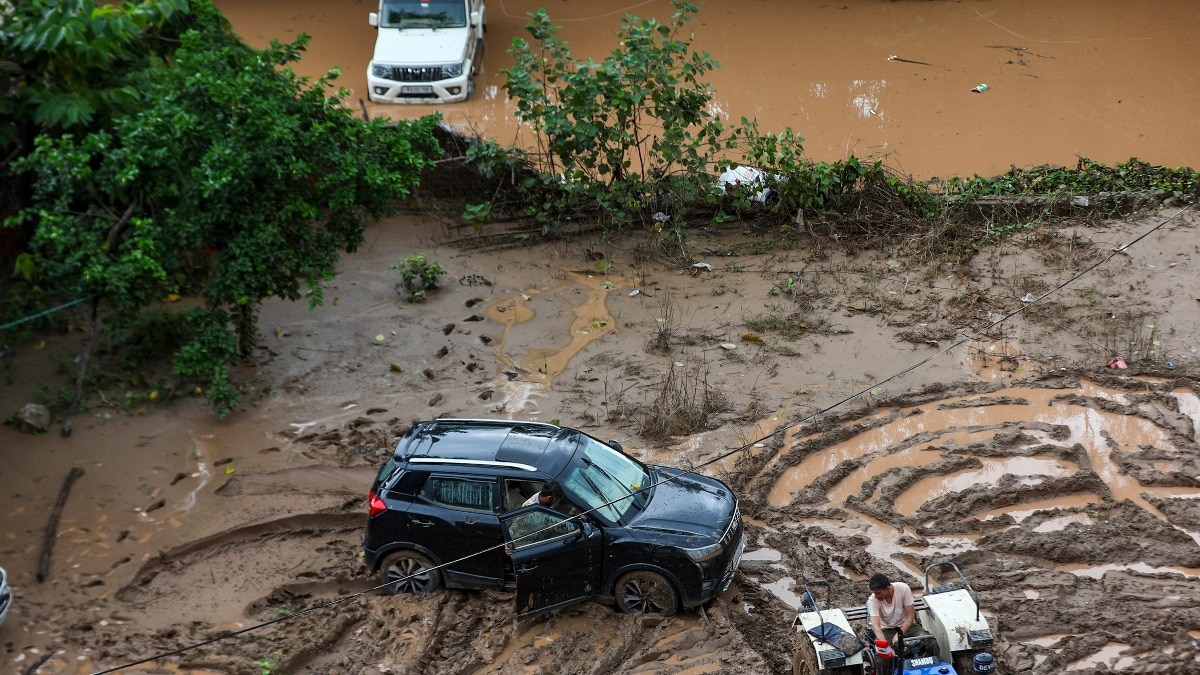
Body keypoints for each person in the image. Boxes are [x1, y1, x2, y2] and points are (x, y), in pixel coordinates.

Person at [867, 573, 921, 654]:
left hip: (907, 626)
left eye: (878, 593)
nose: (875, 596)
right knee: (882, 658)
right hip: (887, 629)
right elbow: (876, 627)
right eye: (874, 593)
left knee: (931, 642)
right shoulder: (873, 601)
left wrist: (899, 634)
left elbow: (910, 617)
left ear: (887, 588)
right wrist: (886, 647)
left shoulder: (903, 589)